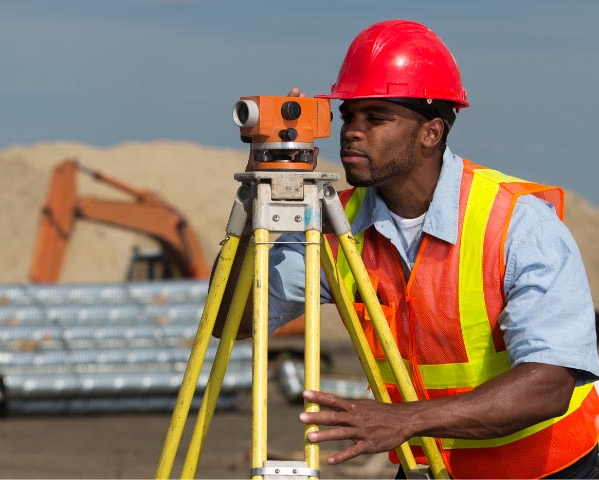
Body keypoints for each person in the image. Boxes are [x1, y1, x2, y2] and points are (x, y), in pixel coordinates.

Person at [214, 19, 599, 479]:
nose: (352, 132)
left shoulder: (517, 222)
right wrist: (261, 200)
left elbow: (550, 385)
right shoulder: (336, 225)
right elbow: (230, 321)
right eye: (348, 116)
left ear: (431, 132)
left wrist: (406, 419)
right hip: (433, 466)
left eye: (376, 117)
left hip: (550, 467)